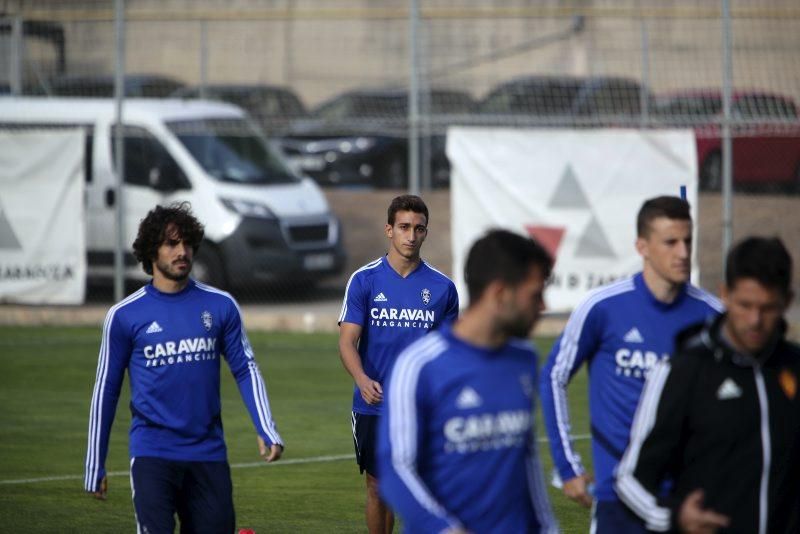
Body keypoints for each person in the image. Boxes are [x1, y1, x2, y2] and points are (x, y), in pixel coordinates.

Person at [84, 202, 283, 533]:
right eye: (171, 243)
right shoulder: (124, 316)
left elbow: (245, 368)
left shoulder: (220, 306)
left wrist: (266, 427)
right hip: (152, 453)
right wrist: (95, 463)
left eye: (187, 243)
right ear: (152, 251)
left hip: (208, 454)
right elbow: (106, 389)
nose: (183, 251)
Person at [539, 196, 724, 533]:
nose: (683, 253)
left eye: (688, 240)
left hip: (690, 498)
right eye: (670, 242)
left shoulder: (714, 316)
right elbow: (554, 376)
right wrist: (568, 468)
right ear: (642, 246)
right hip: (617, 498)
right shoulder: (603, 308)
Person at [377, 229, 558, 533]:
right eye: (535, 295)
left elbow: (526, 460)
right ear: (500, 294)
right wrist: (444, 529)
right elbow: (396, 468)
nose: (543, 307)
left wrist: (548, 528)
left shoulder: (524, 359)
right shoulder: (420, 366)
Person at [616, 236, 800, 534]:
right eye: (745, 305)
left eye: (767, 308)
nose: (754, 320)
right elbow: (629, 480)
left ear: (787, 302)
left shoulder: (794, 368)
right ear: (725, 294)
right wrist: (675, 518)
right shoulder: (685, 371)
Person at [338, 194, 459, 534]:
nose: (411, 235)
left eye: (418, 229)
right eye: (404, 227)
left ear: (425, 233)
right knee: (379, 488)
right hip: (374, 406)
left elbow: (448, 353)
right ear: (389, 230)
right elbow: (347, 341)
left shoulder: (443, 289)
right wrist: (362, 379)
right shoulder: (364, 280)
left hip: (422, 408)